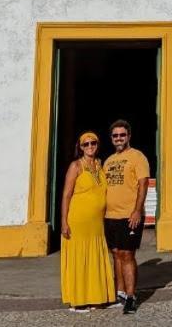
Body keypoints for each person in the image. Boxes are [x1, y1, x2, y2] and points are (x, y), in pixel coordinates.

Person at [59, 131, 116, 311]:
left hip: (96, 223)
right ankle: (78, 301)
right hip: (78, 221)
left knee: (95, 258)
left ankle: (97, 297)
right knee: (80, 258)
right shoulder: (76, 166)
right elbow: (66, 195)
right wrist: (63, 221)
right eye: (86, 144)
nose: (90, 146)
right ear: (80, 147)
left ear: (98, 145)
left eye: (93, 143)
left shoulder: (100, 165)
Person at [103, 120, 150, 315]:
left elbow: (143, 184)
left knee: (127, 255)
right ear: (112, 138)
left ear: (129, 136)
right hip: (109, 216)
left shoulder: (137, 157)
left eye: (122, 135)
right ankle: (120, 293)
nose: (119, 138)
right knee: (116, 254)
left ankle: (131, 297)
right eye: (115, 136)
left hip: (129, 215)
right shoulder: (108, 161)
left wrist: (137, 210)